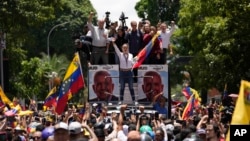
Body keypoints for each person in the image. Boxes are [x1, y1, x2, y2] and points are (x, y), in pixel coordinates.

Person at [112, 39, 136, 104]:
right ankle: (121, 100)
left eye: (126, 48)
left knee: (131, 87)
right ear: (122, 48)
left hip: (129, 72)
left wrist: (135, 61)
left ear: (128, 48)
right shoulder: (120, 54)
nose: (125, 49)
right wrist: (114, 43)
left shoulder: (131, 55)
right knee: (122, 87)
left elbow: (133, 63)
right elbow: (116, 49)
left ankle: (134, 100)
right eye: (124, 48)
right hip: (122, 72)